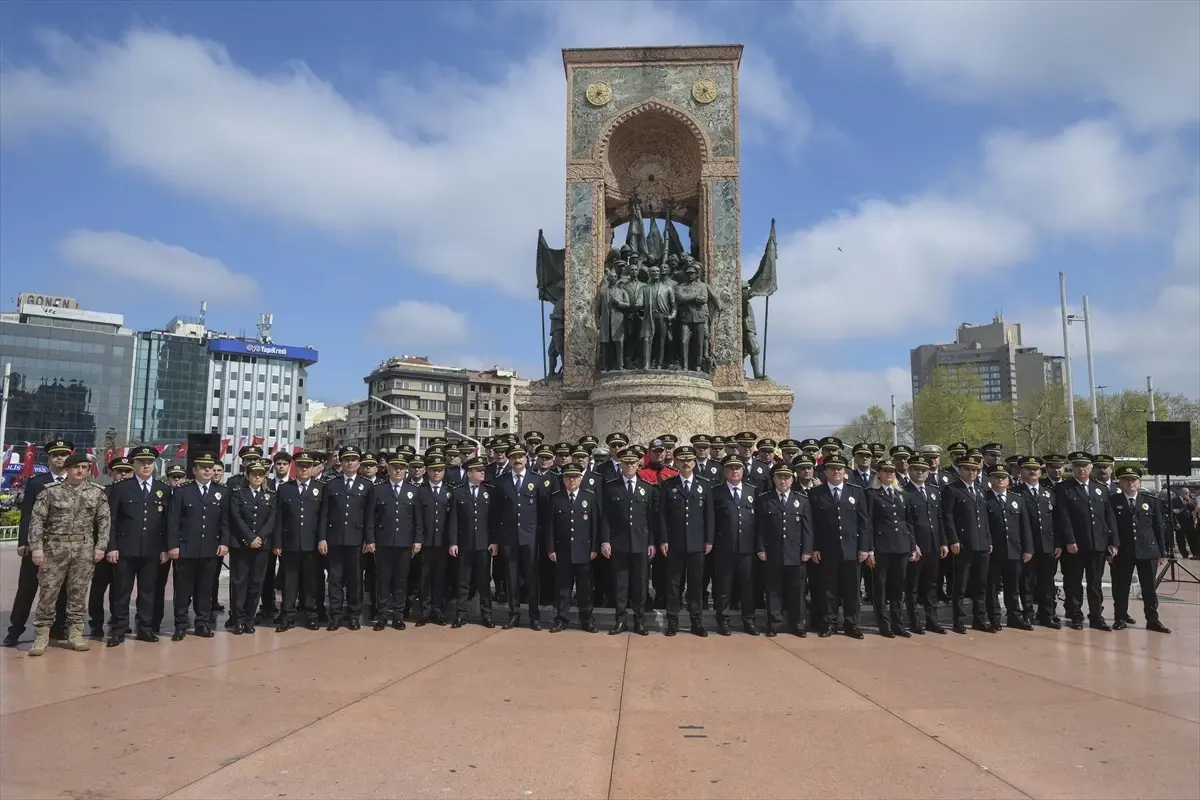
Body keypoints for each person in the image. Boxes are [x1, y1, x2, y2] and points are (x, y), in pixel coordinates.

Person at [26, 452, 110, 657]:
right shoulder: (50, 492)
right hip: (55, 549)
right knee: (48, 592)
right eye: (76, 467)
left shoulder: (97, 492)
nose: (81, 471)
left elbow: (104, 522)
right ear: (67, 469)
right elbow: (37, 520)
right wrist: (36, 547)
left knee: (78, 593)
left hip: (83, 550)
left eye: (85, 467)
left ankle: (75, 633)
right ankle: (41, 635)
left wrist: (101, 546)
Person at [4, 438, 72, 648]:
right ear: (49, 458)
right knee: (27, 589)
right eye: (55, 455)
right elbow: (27, 515)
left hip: (64, 547)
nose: (59, 458)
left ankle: (58, 628)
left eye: (63, 454)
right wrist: (24, 542)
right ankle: (15, 630)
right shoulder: (36, 482)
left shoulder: (76, 482)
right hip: (38, 545)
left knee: (62, 590)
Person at [104, 445, 169, 646]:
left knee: (148, 592)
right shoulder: (121, 488)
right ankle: (119, 629)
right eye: (142, 462)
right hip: (125, 549)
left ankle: (145, 628)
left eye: (150, 462)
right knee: (122, 591)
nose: (146, 466)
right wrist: (111, 546)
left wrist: (165, 548)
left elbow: (167, 523)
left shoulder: (163, 489)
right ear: (134, 464)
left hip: (152, 550)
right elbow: (111, 520)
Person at [166, 452, 229, 640]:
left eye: (210, 467)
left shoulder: (222, 491)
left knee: (205, 589)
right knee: (183, 590)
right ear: (194, 470)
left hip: (210, 549)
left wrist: (224, 542)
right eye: (203, 467)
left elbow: (225, 521)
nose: (208, 470)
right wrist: (173, 545)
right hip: (186, 548)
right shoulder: (182, 491)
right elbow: (173, 521)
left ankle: (202, 623)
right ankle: (181, 624)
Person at [808, 455, 870, 639]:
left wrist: (864, 547)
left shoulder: (856, 492)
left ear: (845, 471)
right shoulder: (816, 493)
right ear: (825, 471)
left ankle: (852, 624)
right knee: (828, 589)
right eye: (832, 468)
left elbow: (864, 522)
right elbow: (811, 524)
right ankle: (829, 623)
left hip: (852, 549)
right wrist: (814, 547)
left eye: (840, 468)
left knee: (852, 590)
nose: (836, 471)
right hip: (827, 549)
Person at [1054, 452, 1118, 631]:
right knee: (1074, 582)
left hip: (1098, 544)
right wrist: (1069, 540)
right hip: (1075, 545)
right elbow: (1063, 517)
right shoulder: (1065, 488)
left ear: (1091, 468)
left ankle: (1096, 617)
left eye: (1085, 466)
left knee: (1095, 583)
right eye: (1078, 466)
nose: (1082, 469)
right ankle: (1076, 615)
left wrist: (1113, 542)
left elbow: (1108, 517)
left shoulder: (1101, 488)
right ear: (1072, 469)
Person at [658, 446, 714, 637]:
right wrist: (663, 539)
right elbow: (663, 515)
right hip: (675, 543)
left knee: (696, 585)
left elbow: (709, 516)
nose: (686, 463)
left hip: (697, 543)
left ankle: (696, 622)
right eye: (682, 460)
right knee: (674, 583)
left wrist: (709, 540)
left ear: (694, 461)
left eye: (689, 459)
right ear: (676, 462)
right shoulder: (668, 485)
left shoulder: (704, 485)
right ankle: (672, 621)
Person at [1109, 466, 1171, 633]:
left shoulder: (1151, 500)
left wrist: (1162, 553)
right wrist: (1112, 547)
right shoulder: (1113, 501)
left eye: (1134, 479)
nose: (1130, 483)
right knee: (1121, 587)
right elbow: (1111, 527)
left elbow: (1158, 528)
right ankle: (1120, 617)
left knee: (1149, 588)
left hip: (1148, 551)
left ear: (1139, 482)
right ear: (1120, 482)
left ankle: (1152, 620)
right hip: (1124, 551)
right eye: (1126, 479)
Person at [600, 452, 656, 635]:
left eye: (633, 463)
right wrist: (605, 541)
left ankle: (639, 621)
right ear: (621, 464)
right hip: (619, 543)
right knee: (620, 584)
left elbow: (651, 519)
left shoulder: (647, 487)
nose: (630, 466)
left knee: (640, 584)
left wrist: (651, 542)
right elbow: (605, 517)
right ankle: (620, 620)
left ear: (638, 464)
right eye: (626, 463)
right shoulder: (611, 487)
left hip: (640, 543)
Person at [755, 463, 813, 638]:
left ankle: (798, 624)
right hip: (772, 552)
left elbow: (807, 529)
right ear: (773, 479)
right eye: (779, 477)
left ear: (792, 479)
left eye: (786, 477)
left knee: (797, 591)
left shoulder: (801, 500)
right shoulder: (765, 499)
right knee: (773, 590)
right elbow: (759, 527)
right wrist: (760, 548)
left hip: (796, 553)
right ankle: (774, 623)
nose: (783, 481)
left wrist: (807, 550)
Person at [492, 444, 545, 630]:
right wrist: (496, 539)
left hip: (530, 537)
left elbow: (543, 511)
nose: (517, 459)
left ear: (525, 457)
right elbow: (495, 513)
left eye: (521, 456)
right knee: (511, 577)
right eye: (514, 456)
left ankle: (534, 616)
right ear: (509, 459)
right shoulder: (501, 482)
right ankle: (513, 614)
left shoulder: (536, 480)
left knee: (531, 577)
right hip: (509, 538)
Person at [318, 446, 371, 631]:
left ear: (359, 463)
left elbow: (369, 516)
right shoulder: (331, 484)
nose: (350, 463)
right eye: (346, 459)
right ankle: (336, 616)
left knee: (355, 580)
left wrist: (369, 539)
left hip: (357, 541)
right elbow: (324, 513)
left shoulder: (367, 485)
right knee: (335, 580)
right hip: (334, 540)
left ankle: (354, 615)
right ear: (340, 461)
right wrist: (322, 538)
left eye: (353, 459)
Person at [542, 463, 600, 633]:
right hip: (563, 550)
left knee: (585, 588)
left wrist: (595, 547)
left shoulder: (589, 497)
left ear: (581, 479)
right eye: (568, 476)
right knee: (562, 587)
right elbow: (549, 526)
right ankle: (561, 619)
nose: (572, 479)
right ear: (563, 479)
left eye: (575, 476)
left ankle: (587, 619)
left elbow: (594, 526)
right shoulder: (556, 498)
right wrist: (551, 548)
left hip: (584, 551)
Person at [940, 453, 993, 634]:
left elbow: (984, 518)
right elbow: (948, 516)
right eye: (967, 469)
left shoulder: (980, 490)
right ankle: (959, 620)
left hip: (981, 543)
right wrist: (953, 539)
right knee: (960, 585)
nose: (971, 473)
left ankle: (980, 618)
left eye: (975, 470)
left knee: (981, 584)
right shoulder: (952, 489)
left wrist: (988, 539)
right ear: (960, 470)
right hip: (963, 543)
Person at [273, 451, 324, 632]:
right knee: (289, 582)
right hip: (290, 543)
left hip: (312, 544)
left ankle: (311, 615)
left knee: (310, 582)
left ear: (312, 468)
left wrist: (322, 539)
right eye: (301, 465)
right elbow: (278, 517)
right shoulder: (285, 488)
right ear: (296, 467)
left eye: (307, 466)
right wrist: (277, 543)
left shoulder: (320, 488)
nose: (304, 469)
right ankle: (287, 616)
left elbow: (323, 518)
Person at [227, 459, 277, 635]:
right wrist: (250, 537)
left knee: (256, 583)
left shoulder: (271, 495)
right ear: (247, 476)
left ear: (265, 477)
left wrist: (260, 538)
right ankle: (238, 620)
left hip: (261, 546)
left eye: (261, 474)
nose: (257, 477)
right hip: (242, 545)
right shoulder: (238, 494)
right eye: (254, 474)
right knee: (240, 583)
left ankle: (249, 619)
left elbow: (272, 519)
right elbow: (235, 517)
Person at [868, 463, 917, 638]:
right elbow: (869, 524)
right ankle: (884, 624)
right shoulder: (872, 494)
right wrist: (870, 549)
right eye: (885, 471)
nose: (889, 474)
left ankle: (898, 623)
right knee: (880, 586)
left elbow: (908, 521)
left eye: (892, 471)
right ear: (879, 474)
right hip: (882, 546)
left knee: (898, 587)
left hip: (901, 545)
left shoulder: (901, 494)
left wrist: (912, 545)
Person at [712, 453, 759, 636]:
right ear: (725, 471)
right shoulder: (716, 492)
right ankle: (723, 621)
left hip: (747, 548)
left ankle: (749, 621)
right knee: (724, 588)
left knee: (748, 587)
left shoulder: (752, 491)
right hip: (725, 548)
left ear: (743, 470)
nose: (735, 471)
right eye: (731, 468)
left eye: (738, 468)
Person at [447, 457, 496, 628]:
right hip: (464, 543)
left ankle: (487, 615)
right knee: (463, 581)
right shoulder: (458, 492)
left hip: (483, 545)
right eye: (478, 470)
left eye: (483, 469)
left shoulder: (489, 491)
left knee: (483, 581)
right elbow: (453, 519)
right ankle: (461, 614)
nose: (483, 472)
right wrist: (453, 542)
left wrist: (494, 541)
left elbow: (493, 520)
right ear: (469, 473)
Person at [983, 466, 1033, 631]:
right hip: (993, 551)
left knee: (1013, 586)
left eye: (1003, 477)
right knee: (992, 587)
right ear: (990, 480)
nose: (1000, 480)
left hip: (1014, 549)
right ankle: (995, 618)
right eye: (996, 477)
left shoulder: (1017, 499)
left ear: (1008, 480)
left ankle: (1014, 616)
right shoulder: (984, 498)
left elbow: (1025, 526)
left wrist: (1028, 549)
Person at [1012, 457, 1060, 628]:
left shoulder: (1049, 493)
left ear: (1041, 472)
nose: (1033, 472)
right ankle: (1028, 614)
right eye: (1028, 469)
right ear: (1021, 472)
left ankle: (1047, 614)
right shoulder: (1016, 493)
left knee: (1047, 582)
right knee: (1027, 582)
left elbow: (1056, 521)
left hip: (1048, 545)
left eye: (1036, 469)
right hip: (1027, 546)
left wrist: (1058, 544)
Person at [90, 456, 133, 638]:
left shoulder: (136, 492)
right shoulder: (102, 492)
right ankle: (96, 622)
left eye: (127, 471)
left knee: (121, 589)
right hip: (102, 549)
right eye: (119, 471)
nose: (123, 474)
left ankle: (119, 621)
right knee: (98, 588)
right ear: (111, 473)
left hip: (124, 551)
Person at [903, 457, 947, 634]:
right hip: (917, 548)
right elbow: (905, 521)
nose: (920, 472)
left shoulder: (933, 491)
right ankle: (914, 621)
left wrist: (944, 542)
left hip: (934, 545)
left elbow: (939, 518)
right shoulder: (904, 492)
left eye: (924, 469)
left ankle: (932, 620)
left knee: (931, 584)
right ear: (910, 470)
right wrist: (913, 545)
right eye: (916, 469)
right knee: (912, 586)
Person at [416, 455, 453, 626]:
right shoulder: (420, 491)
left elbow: (452, 519)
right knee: (424, 577)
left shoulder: (450, 491)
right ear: (427, 471)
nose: (437, 473)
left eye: (440, 470)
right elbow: (417, 519)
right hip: (426, 542)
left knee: (440, 577)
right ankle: (425, 611)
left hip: (443, 542)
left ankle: (437, 610)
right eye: (433, 470)